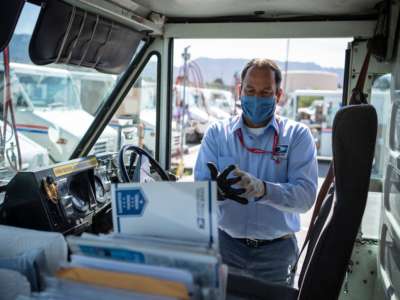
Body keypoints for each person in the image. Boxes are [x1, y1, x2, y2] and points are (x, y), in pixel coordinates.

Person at [194, 58, 318, 286]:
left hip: (277, 254)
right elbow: (200, 192)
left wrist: (263, 190)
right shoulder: (217, 134)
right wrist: (216, 193)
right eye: (250, 90)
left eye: (265, 92)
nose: (256, 98)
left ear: (278, 95)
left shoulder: (298, 136)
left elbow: (305, 198)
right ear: (240, 91)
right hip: (226, 247)